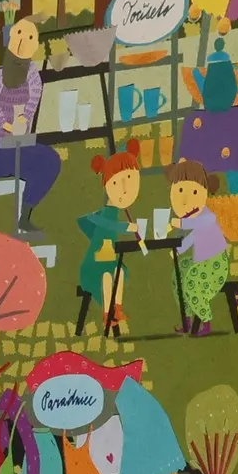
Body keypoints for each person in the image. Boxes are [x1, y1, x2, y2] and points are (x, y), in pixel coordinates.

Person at [0, 15, 62, 237]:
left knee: (51, 159)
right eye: (19, 33)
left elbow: (34, 99)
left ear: (35, 44)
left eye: (29, 37)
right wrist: (5, 124)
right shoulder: (1, 74)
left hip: (23, 145)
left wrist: (23, 120)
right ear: (11, 37)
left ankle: (26, 215)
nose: (23, 40)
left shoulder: (33, 75)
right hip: (0, 146)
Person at [77, 142, 145, 334]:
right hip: (92, 267)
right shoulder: (107, 213)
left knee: (119, 272)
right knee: (107, 277)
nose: (123, 189)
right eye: (116, 183)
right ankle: (107, 314)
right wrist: (127, 227)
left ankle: (117, 308)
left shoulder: (114, 211)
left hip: (109, 261)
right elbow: (106, 225)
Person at [164, 154, 232, 336]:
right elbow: (194, 236)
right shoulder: (194, 217)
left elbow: (199, 224)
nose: (185, 199)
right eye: (180, 191)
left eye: (194, 193)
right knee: (179, 273)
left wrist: (179, 223)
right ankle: (186, 318)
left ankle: (206, 321)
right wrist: (179, 250)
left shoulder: (206, 215)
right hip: (200, 262)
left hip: (215, 264)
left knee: (192, 281)